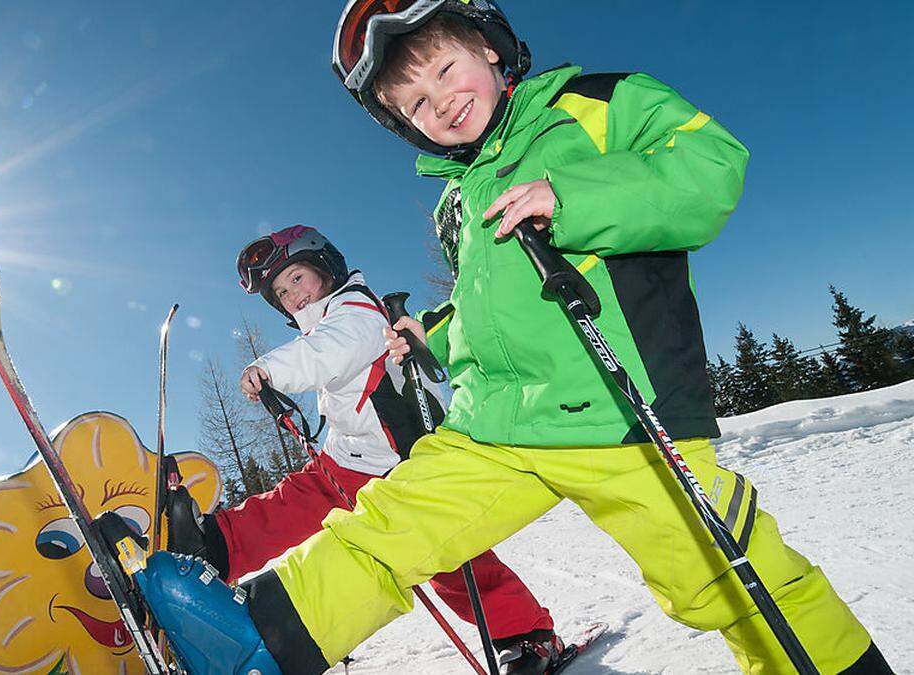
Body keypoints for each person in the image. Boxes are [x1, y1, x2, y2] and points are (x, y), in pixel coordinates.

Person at [115, 2, 894, 673]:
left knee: (728, 580)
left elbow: (712, 166)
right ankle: (260, 640)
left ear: (488, 44)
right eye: (414, 103)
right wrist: (433, 334)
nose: (439, 104)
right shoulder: (457, 199)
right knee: (389, 526)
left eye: (446, 70)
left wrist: (571, 195)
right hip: (494, 426)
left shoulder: (596, 104)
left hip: (620, 414)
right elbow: (487, 306)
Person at [165, 224, 562, 672]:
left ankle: (528, 636)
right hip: (349, 458)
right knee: (289, 505)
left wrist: (267, 369)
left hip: (397, 462)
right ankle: (213, 545)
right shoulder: (319, 327)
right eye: (281, 291)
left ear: (325, 267)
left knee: (450, 560)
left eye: (297, 278)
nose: (293, 295)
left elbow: (329, 354)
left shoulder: (357, 309)